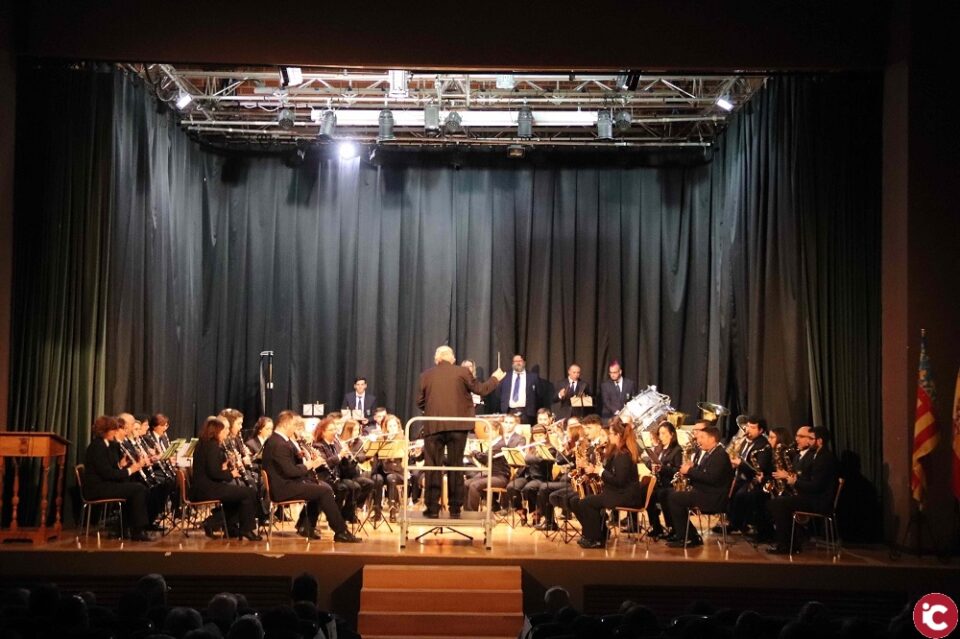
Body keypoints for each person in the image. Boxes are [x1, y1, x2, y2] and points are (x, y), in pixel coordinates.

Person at [416, 345, 505, 518]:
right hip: (458, 426)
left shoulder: (426, 375)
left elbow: (420, 402)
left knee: (432, 466)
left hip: (434, 426)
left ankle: (432, 508)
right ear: (453, 359)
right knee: (456, 466)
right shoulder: (463, 372)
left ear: (436, 359)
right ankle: (456, 508)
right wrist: (495, 378)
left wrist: (433, 408)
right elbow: (481, 390)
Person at [261, 410, 361, 542]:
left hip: (287, 483)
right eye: (294, 425)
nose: (295, 429)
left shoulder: (280, 441)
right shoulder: (278, 443)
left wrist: (305, 456)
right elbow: (291, 471)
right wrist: (310, 464)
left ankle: (307, 526)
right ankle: (340, 531)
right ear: (286, 424)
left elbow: (292, 465)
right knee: (324, 490)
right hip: (283, 488)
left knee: (320, 486)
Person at [571, 416, 645, 548]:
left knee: (587, 503)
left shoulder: (623, 455)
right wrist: (598, 469)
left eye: (611, 433)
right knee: (585, 501)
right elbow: (612, 474)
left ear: (618, 435)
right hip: (619, 493)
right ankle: (594, 535)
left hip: (625, 496)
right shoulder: (618, 452)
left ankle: (596, 539)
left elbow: (619, 481)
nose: (609, 436)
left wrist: (600, 471)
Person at [766, 426, 839, 554]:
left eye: (811, 439)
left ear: (819, 441)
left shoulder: (825, 458)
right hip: (811, 498)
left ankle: (786, 545)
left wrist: (795, 482)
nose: (809, 442)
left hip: (819, 502)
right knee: (778, 502)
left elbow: (817, 486)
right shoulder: (818, 455)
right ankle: (791, 542)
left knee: (778, 503)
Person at [191, 416, 262, 541]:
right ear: (216, 432)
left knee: (237, 496)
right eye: (224, 431)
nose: (226, 433)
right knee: (248, 492)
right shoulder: (212, 446)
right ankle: (246, 529)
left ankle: (219, 524)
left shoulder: (203, 443)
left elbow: (210, 468)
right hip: (207, 488)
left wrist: (224, 466)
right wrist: (231, 474)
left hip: (202, 486)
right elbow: (214, 473)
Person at [82, 415, 151, 541]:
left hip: (104, 484)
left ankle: (123, 528)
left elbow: (109, 469)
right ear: (105, 431)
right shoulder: (97, 447)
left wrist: (121, 465)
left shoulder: (106, 445)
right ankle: (137, 530)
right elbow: (107, 473)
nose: (115, 432)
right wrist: (131, 470)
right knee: (138, 489)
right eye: (113, 430)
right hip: (97, 489)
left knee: (136, 488)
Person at [663, 425, 734, 547]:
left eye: (702, 437)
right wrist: (692, 469)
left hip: (713, 498)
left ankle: (687, 537)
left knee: (675, 498)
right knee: (668, 493)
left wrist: (690, 471)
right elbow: (703, 474)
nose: (698, 440)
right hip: (705, 492)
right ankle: (687, 534)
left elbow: (711, 478)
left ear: (712, 439)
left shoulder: (720, 455)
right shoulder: (711, 453)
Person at [721, 416, 772, 535]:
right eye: (748, 426)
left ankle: (740, 524)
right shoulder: (744, 441)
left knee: (741, 495)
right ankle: (733, 522)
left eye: (753, 427)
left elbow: (759, 469)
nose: (748, 429)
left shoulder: (763, 445)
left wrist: (740, 464)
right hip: (740, 477)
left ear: (761, 431)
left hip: (754, 480)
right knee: (724, 490)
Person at [465, 415, 524, 511]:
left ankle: (473, 514)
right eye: (487, 431)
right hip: (490, 475)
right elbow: (485, 460)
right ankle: (467, 512)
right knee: (466, 483)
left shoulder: (500, 444)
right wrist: (474, 454)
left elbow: (486, 458)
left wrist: (473, 452)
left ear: (497, 430)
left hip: (500, 477)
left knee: (474, 485)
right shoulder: (493, 443)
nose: (488, 433)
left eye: (490, 430)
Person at [646, 421, 683, 539]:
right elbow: (654, 462)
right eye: (659, 434)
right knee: (645, 493)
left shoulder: (677, 450)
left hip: (669, 485)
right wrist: (651, 465)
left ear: (671, 434)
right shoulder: (659, 449)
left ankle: (672, 527)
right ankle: (656, 526)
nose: (660, 436)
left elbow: (677, 471)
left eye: (663, 433)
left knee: (663, 494)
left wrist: (662, 468)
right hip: (659, 483)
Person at [498, 354, 542, 424]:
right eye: (515, 361)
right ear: (512, 363)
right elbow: (499, 393)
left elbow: (539, 395)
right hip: (508, 412)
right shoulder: (505, 376)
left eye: (520, 361)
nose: (518, 363)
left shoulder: (533, 377)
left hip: (526, 413)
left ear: (524, 362)